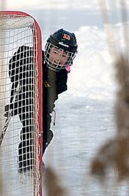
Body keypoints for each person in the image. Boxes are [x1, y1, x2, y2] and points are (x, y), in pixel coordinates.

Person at [5, 28, 78, 174]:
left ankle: (33, 160)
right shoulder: (32, 56)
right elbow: (14, 69)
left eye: (64, 55)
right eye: (56, 52)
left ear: (70, 58)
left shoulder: (61, 77)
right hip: (25, 99)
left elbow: (47, 100)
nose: (58, 58)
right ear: (48, 49)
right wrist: (21, 66)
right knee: (32, 130)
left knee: (45, 133)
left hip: (42, 107)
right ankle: (27, 165)